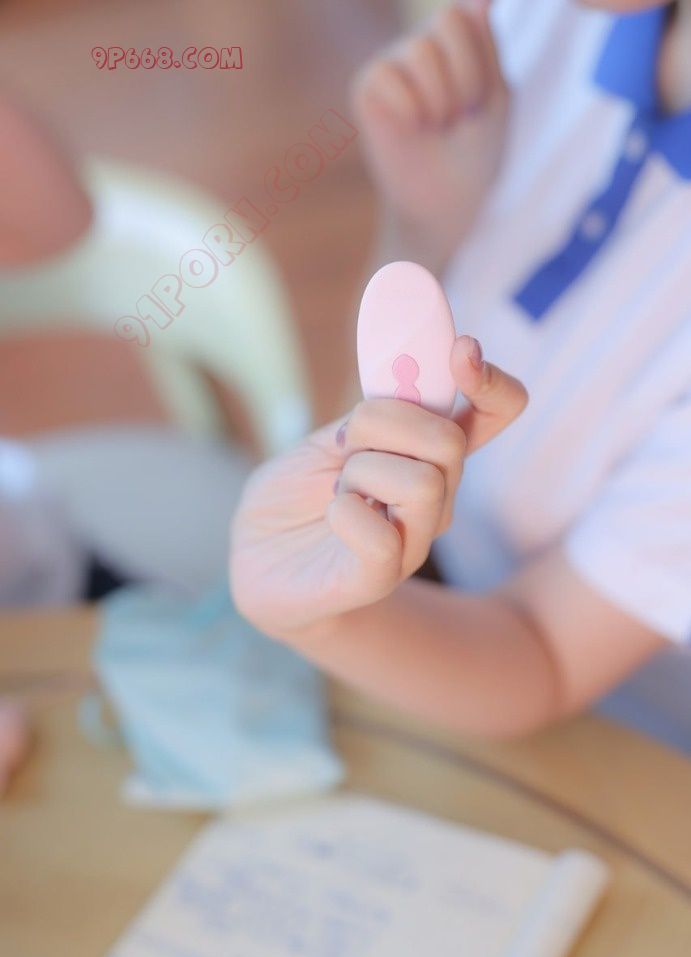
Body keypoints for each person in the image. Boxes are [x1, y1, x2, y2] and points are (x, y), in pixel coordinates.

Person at [230, 0, 691, 748]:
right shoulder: (543, 21)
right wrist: (423, 229)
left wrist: (320, 616)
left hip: (619, 749)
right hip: (436, 603)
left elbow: (542, 652)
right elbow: (390, 393)